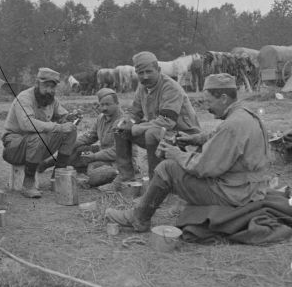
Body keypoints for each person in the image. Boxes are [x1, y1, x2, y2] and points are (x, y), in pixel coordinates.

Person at [106, 73, 271, 232]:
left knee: (167, 168)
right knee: (180, 159)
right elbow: (220, 136)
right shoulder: (244, 115)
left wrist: (176, 153)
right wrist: (195, 139)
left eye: (209, 102)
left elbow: (205, 167)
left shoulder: (232, 125)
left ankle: (139, 218)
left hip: (236, 193)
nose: (207, 107)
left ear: (223, 98)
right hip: (250, 188)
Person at [113, 51, 201, 185]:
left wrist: (137, 128)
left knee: (152, 133)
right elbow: (135, 113)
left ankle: (157, 182)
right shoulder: (142, 87)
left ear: (158, 70)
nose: (145, 76)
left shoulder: (170, 87)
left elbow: (167, 120)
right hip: (161, 132)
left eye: (149, 71)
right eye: (141, 73)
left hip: (184, 137)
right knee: (119, 128)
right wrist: (127, 122)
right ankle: (126, 176)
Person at [2, 67, 78, 198]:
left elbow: (63, 116)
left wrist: (71, 118)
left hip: (37, 146)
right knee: (39, 136)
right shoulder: (24, 98)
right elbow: (27, 124)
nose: (49, 90)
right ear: (37, 84)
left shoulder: (51, 100)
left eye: (52, 87)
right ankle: (28, 184)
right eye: (46, 86)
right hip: (14, 146)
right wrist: (59, 127)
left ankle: (58, 175)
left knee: (71, 130)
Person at [41, 87, 123, 187]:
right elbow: (89, 137)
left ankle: (85, 176)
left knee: (96, 173)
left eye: (108, 104)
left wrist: (94, 157)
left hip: (117, 160)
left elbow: (117, 151)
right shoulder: (101, 118)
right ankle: (47, 164)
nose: (104, 108)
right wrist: (71, 144)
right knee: (75, 149)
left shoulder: (122, 122)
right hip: (102, 153)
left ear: (117, 103)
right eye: (102, 105)